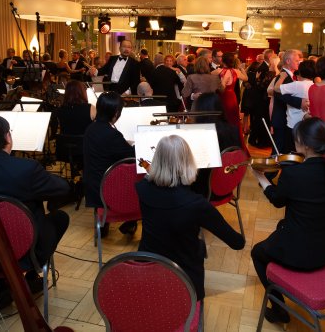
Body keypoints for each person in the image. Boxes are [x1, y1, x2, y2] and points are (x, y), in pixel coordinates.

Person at [250, 117, 325, 325]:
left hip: (297, 254)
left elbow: (278, 201)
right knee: (275, 238)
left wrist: (261, 178)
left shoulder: (294, 172)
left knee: (257, 253)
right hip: (323, 251)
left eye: (296, 140)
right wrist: (320, 206)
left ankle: (279, 310)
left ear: (305, 145)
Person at [0, 115, 71, 308]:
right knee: (60, 217)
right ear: (7, 138)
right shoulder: (26, 169)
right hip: (24, 252)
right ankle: (31, 276)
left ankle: (2, 285)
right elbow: (62, 188)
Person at [136, 134, 245, 301]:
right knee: (198, 247)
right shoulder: (197, 205)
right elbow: (237, 243)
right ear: (188, 163)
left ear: (157, 160)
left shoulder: (142, 188)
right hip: (183, 279)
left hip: (147, 267)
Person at [83, 91, 137, 236]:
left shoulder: (90, 129)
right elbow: (132, 156)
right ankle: (131, 219)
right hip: (106, 187)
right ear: (115, 113)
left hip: (92, 184)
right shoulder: (112, 134)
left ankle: (104, 222)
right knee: (141, 176)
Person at [189, 92, 241, 197]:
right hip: (227, 186)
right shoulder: (233, 129)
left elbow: (194, 169)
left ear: (200, 110)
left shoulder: (202, 134)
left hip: (206, 191)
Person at [268, 50, 303, 154]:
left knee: (281, 150)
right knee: (278, 151)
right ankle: (270, 170)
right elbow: (280, 95)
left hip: (283, 118)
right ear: (288, 61)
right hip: (281, 119)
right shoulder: (283, 76)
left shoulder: (288, 76)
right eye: (296, 60)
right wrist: (300, 102)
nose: (298, 62)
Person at [274, 59, 315, 131]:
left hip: (294, 123)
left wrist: (282, 77)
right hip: (307, 122)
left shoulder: (297, 85)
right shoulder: (313, 85)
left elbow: (276, 88)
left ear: (300, 71)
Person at [217, 52, 248, 142]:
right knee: (233, 118)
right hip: (232, 96)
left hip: (223, 96)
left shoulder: (219, 71)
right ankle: (235, 140)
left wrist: (221, 83)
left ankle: (223, 139)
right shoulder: (236, 71)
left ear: (223, 60)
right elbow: (246, 78)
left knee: (223, 117)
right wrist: (242, 68)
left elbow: (222, 88)